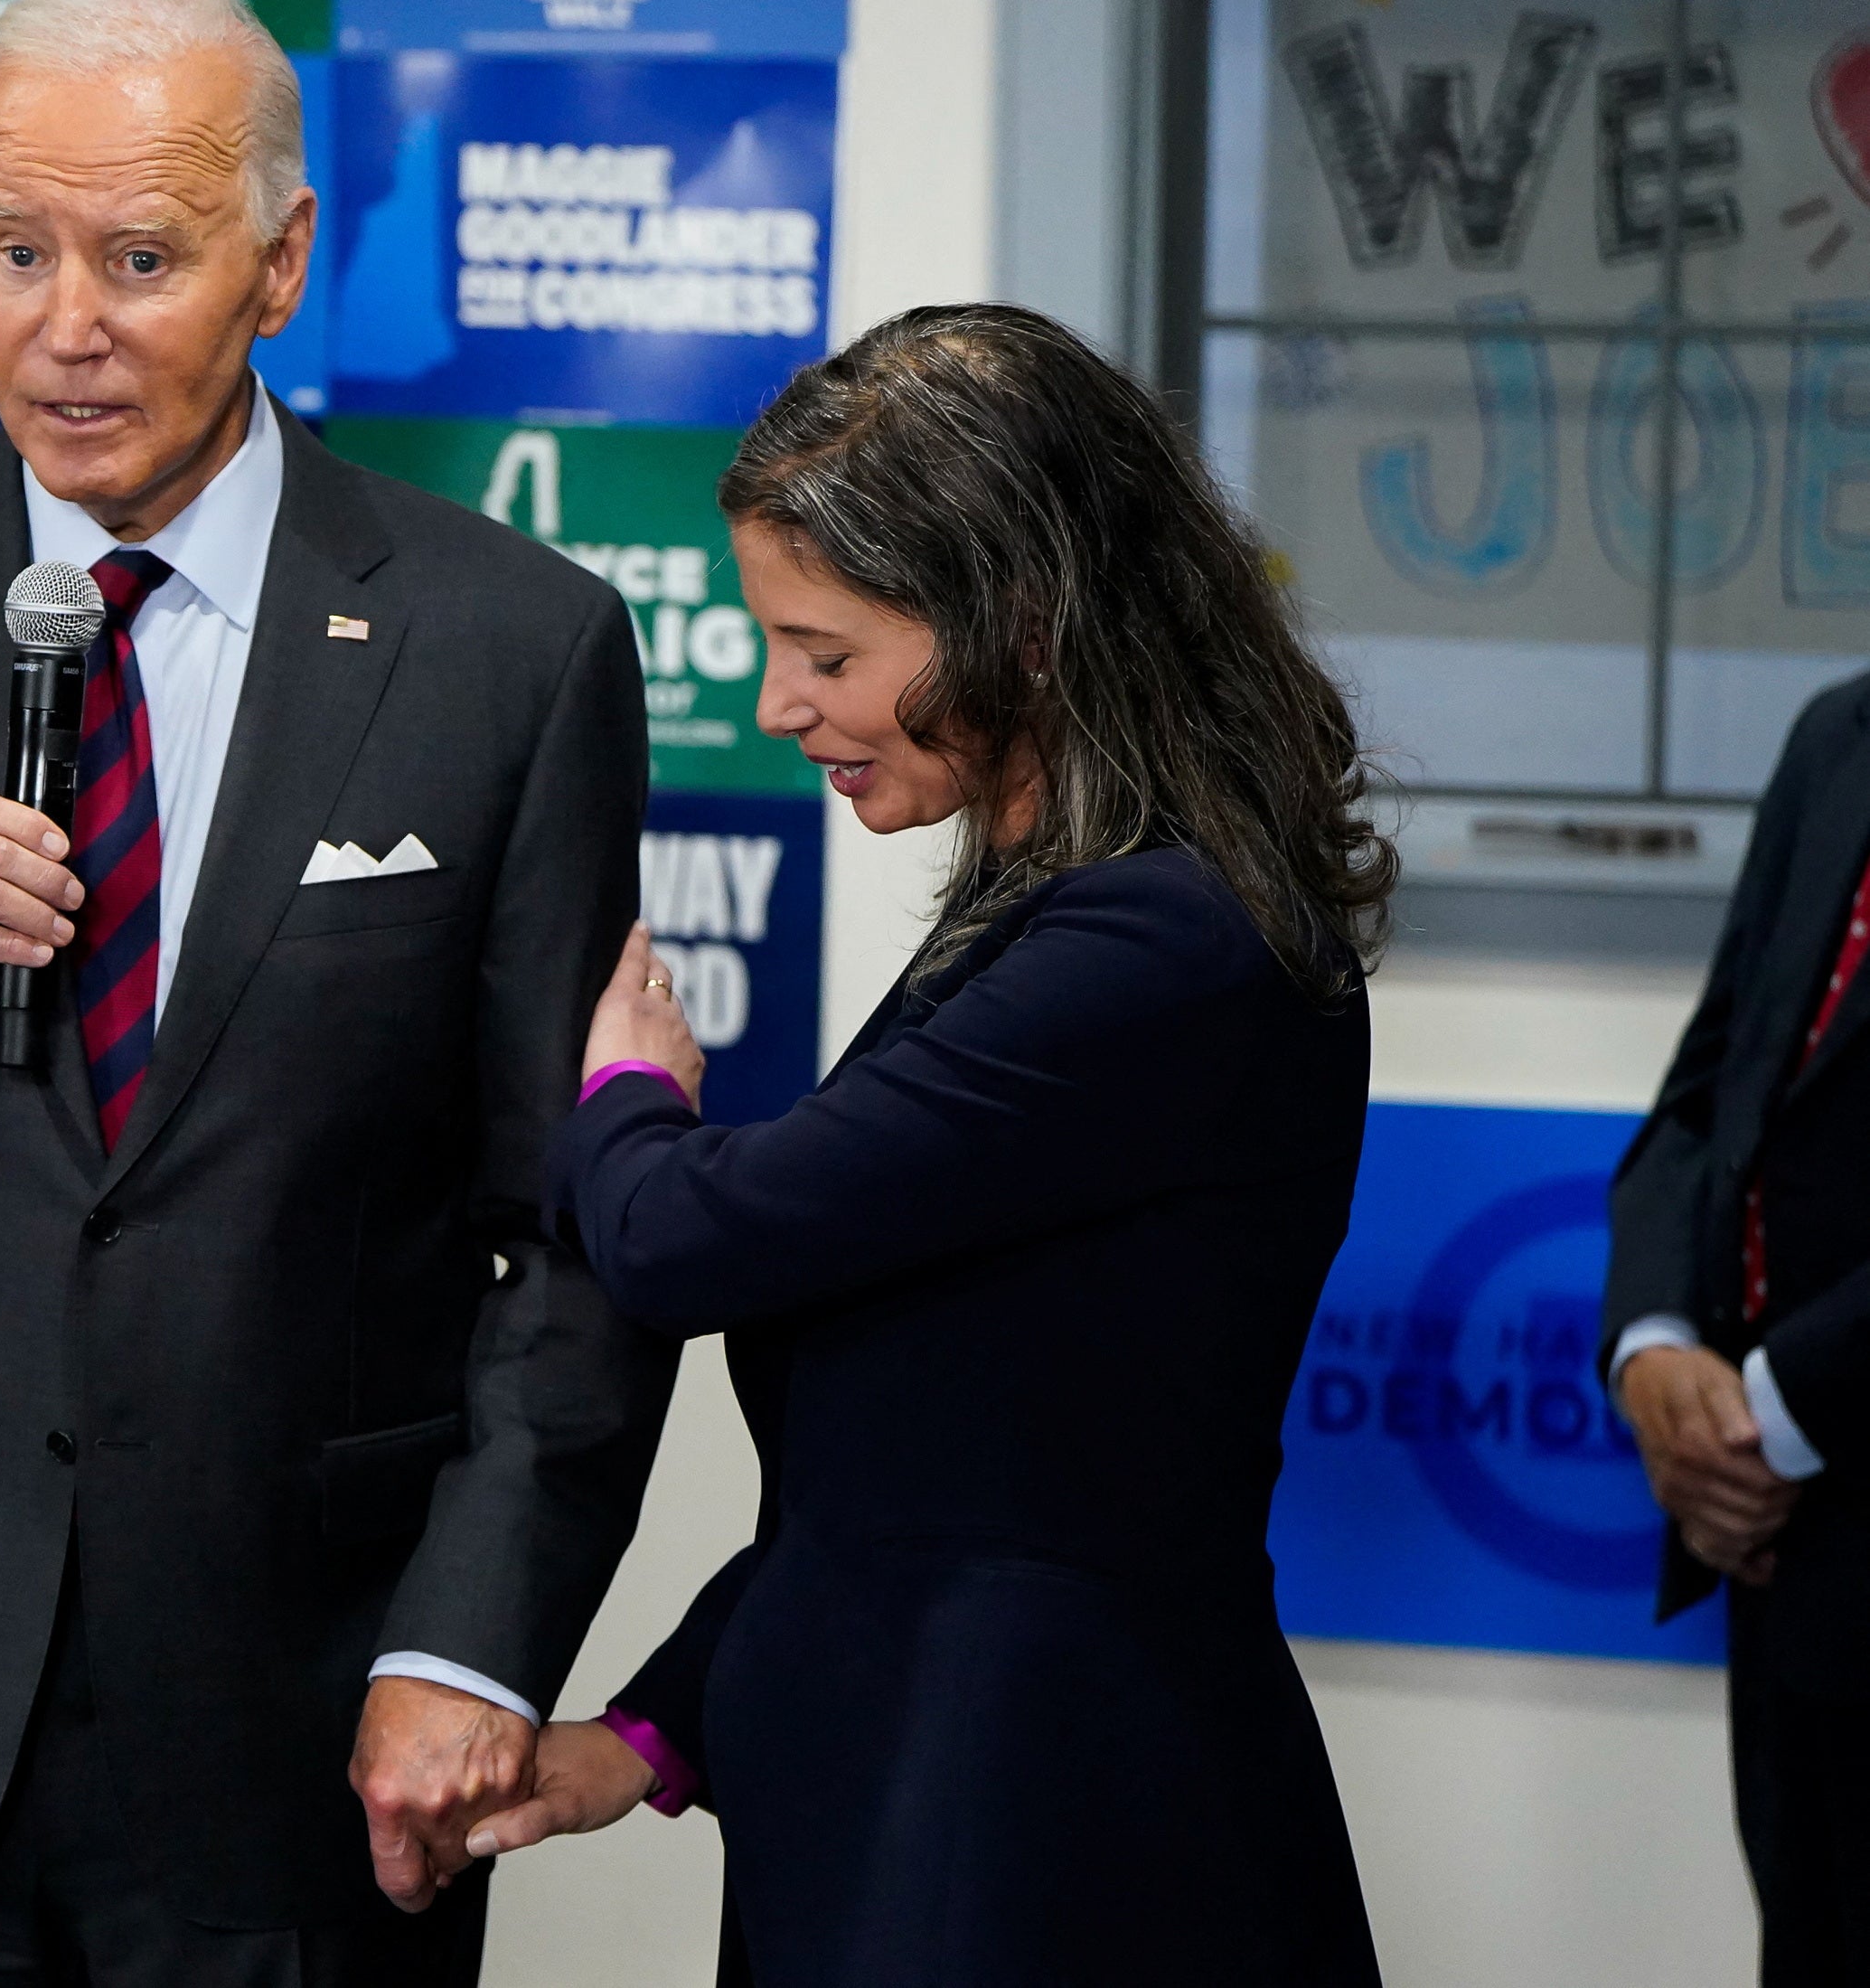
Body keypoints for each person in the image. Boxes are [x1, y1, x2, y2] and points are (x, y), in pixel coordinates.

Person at [0, 0, 673, 1983]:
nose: (64, 324)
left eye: (140, 258)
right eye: (15, 251)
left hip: (311, 1726)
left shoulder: (512, 648)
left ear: (280, 264)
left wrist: (471, 1639)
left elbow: (582, 1229)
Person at [469, 305, 1393, 1987]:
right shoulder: (1072, 912)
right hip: (933, 1789)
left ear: (1021, 625)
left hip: (1041, 1834)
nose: (779, 704)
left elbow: (693, 1238)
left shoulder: (1161, 947)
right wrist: (666, 1728)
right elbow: (930, 1447)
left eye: (829, 654)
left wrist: (624, 1094)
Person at [1603, 668, 1870, 1984]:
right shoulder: (1841, 734)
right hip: (1787, 1575)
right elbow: (1710, 1093)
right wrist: (1656, 1351)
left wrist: (1767, 1416)